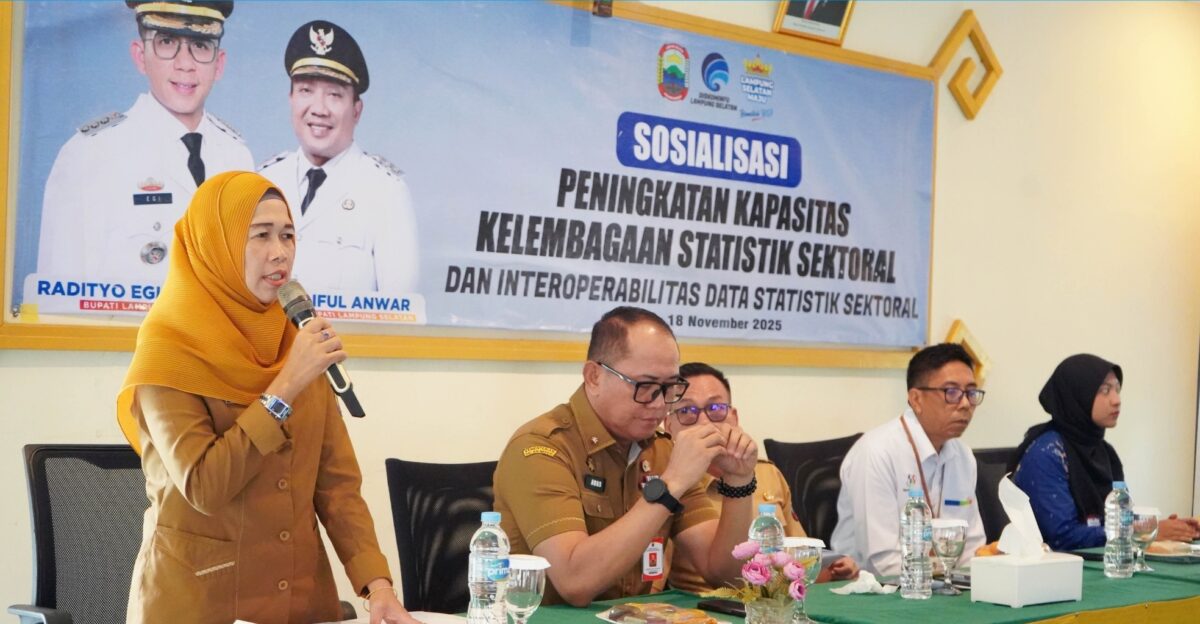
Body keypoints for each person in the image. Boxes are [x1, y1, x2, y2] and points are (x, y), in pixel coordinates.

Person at [116, 171, 416, 624]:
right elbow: (204, 486)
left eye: (288, 235)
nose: (280, 252)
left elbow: (336, 485)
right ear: (217, 244)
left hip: (299, 599)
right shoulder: (169, 347)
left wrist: (378, 586)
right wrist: (285, 387)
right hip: (200, 604)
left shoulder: (295, 336)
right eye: (261, 235)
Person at [493, 307, 759, 607]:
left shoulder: (662, 450)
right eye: (645, 387)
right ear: (594, 376)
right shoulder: (541, 448)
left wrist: (739, 482)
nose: (660, 404)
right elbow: (575, 581)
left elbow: (727, 576)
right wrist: (669, 486)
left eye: (670, 387)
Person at [37, 1, 253, 282]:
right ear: (140, 56)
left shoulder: (237, 157)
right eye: (167, 42)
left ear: (219, 63)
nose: (185, 64)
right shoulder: (89, 155)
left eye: (200, 45)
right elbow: (60, 295)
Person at [664, 362, 859, 593]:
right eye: (686, 411)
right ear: (668, 426)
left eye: (715, 408)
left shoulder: (766, 474)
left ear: (734, 417)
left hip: (776, 599)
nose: (705, 422)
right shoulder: (669, 484)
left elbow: (799, 560)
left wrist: (833, 570)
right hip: (707, 603)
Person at [259, 20, 419, 294]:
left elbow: (402, 312)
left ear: (356, 110)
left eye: (334, 95)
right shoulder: (262, 181)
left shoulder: (385, 192)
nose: (319, 109)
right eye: (306, 91)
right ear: (291, 98)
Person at [1010, 354, 1200, 551]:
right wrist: (1142, 531)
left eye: (1117, 389)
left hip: (1104, 562)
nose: (1116, 400)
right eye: (1105, 390)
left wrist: (1167, 529)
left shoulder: (1105, 453)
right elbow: (1062, 537)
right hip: (1054, 566)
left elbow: (1119, 519)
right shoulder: (1048, 453)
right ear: (1077, 395)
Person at [830, 343, 987, 577]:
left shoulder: (963, 457)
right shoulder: (877, 452)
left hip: (941, 586)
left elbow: (972, 548)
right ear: (916, 399)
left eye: (971, 393)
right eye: (952, 392)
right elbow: (882, 561)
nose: (965, 404)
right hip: (873, 589)